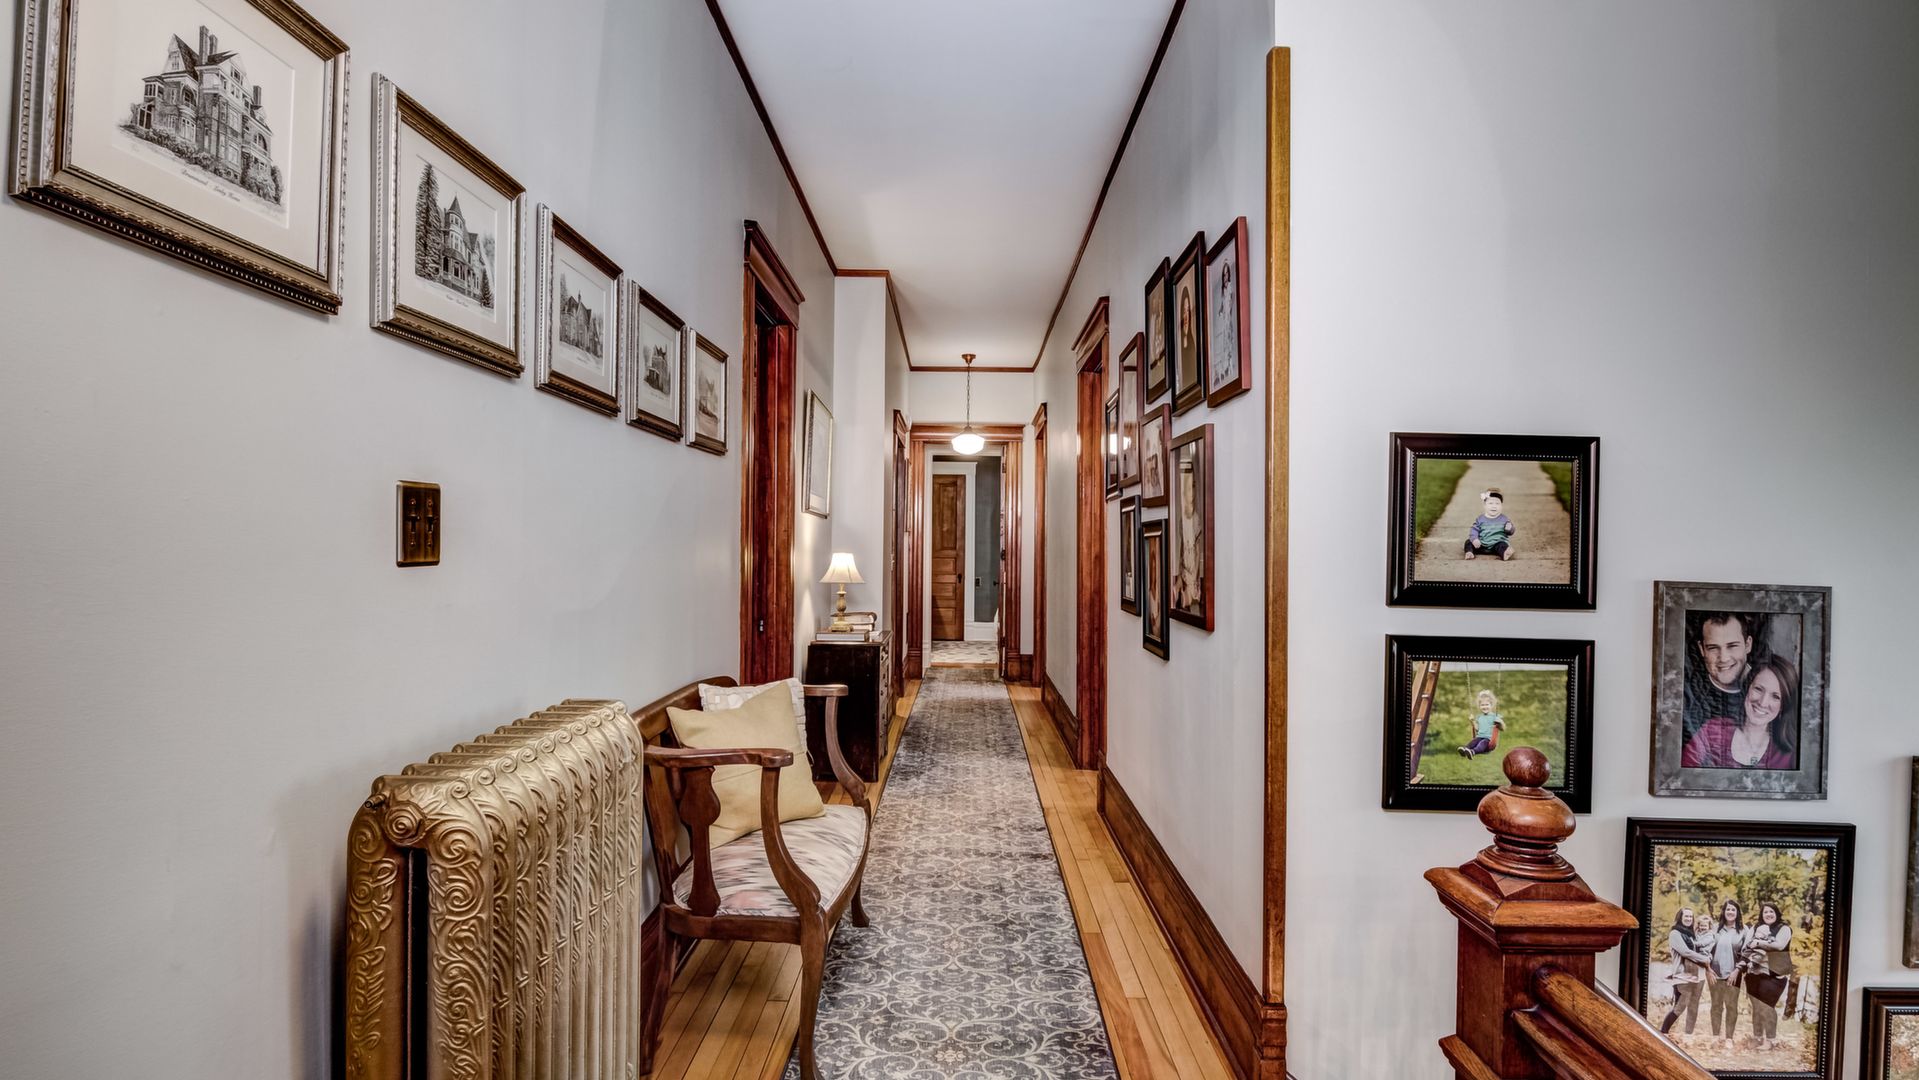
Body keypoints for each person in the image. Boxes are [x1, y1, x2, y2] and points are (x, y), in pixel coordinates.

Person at [1681, 655, 1800, 770]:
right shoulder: (1712, 731)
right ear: (1747, 687)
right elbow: (1681, 777)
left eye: (1776, 697)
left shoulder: (1789, 755)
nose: (1763, 703)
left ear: (1783, 706)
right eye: (1758, 689)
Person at [1684, 612, 1755, 737]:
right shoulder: (1685, 697)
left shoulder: (1773, 686)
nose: (1723, 658)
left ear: (1748, 645)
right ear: (1702, 649)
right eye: (1713, 648)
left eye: (1732, 646)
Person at [1741, 902, 1794, 1052]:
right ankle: (1757, 1037)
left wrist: (1758, 942)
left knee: (1767, 1006)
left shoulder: (1784, 928)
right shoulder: (1755, 927)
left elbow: (1779, 945)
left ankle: (1770, 1040)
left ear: (1776, 913)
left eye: (1771, 912)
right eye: (1765, 912)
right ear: (1761, 914)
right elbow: (1746, 946)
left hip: (1774, 974)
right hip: (1753, 973)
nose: (1768, 914)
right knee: (1757, 1007)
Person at [1661, 908, 1713, 1037]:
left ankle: (1688, 1035)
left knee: (1694, 1006)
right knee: (1680, 1006)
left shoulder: (1692, 934)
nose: (1689, 919)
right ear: (1680, 917)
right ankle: (1663, 1033)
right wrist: (1705, 959)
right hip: (1682, 976)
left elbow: (1704, 949)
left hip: (1698, 975)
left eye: (1691, 917)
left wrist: (1708, 958)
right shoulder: (1675, 933)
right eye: (1686, 916)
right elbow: (1685, 952)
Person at [1705, 899, 1746, 1050]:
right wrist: (1707, 969)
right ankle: (1715, 1037)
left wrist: (1737, 970)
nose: (1730, 912)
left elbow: (1746, 953)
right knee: (1716, 1005)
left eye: (1733, 910)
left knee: (1731, 1006)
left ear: (1737, 913)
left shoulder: (1743, 930)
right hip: (1714, 974)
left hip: (1733, 975)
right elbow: (1705, 950)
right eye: (1728, 909)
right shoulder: (1715, 929)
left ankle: (1729, 1038)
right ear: (1723, 911)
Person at [1463, 489, 1517, 561]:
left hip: (1496, 544)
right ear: (1484, 505)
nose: (1494, 506)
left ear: (1501, 506)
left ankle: (1505, 553)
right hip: (1481, 545)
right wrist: (1475, 539)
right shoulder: (1480, 519)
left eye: (1497, 503)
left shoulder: (1504, 519)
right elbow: (1474, 530)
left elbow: (1510, 532)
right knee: (1468, 542)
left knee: (1502, 545)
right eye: (1490, 503)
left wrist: (1509, 528)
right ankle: (1469, 552)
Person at [1457, 689, 1504, 759]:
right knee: (1473, 742)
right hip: (1479, 737)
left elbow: (1502, 728)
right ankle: (1465, 750)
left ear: (1491, 705)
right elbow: (1477, 729)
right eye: (1482, 705)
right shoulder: (1479, 717)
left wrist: (1500, 723)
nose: (1484, 707)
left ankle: (1473, 752)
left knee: (1482, 744)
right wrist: (1472, 721)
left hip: (1489, 740)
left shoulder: (1495, 716)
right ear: (1479, 706)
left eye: (1487, 704)